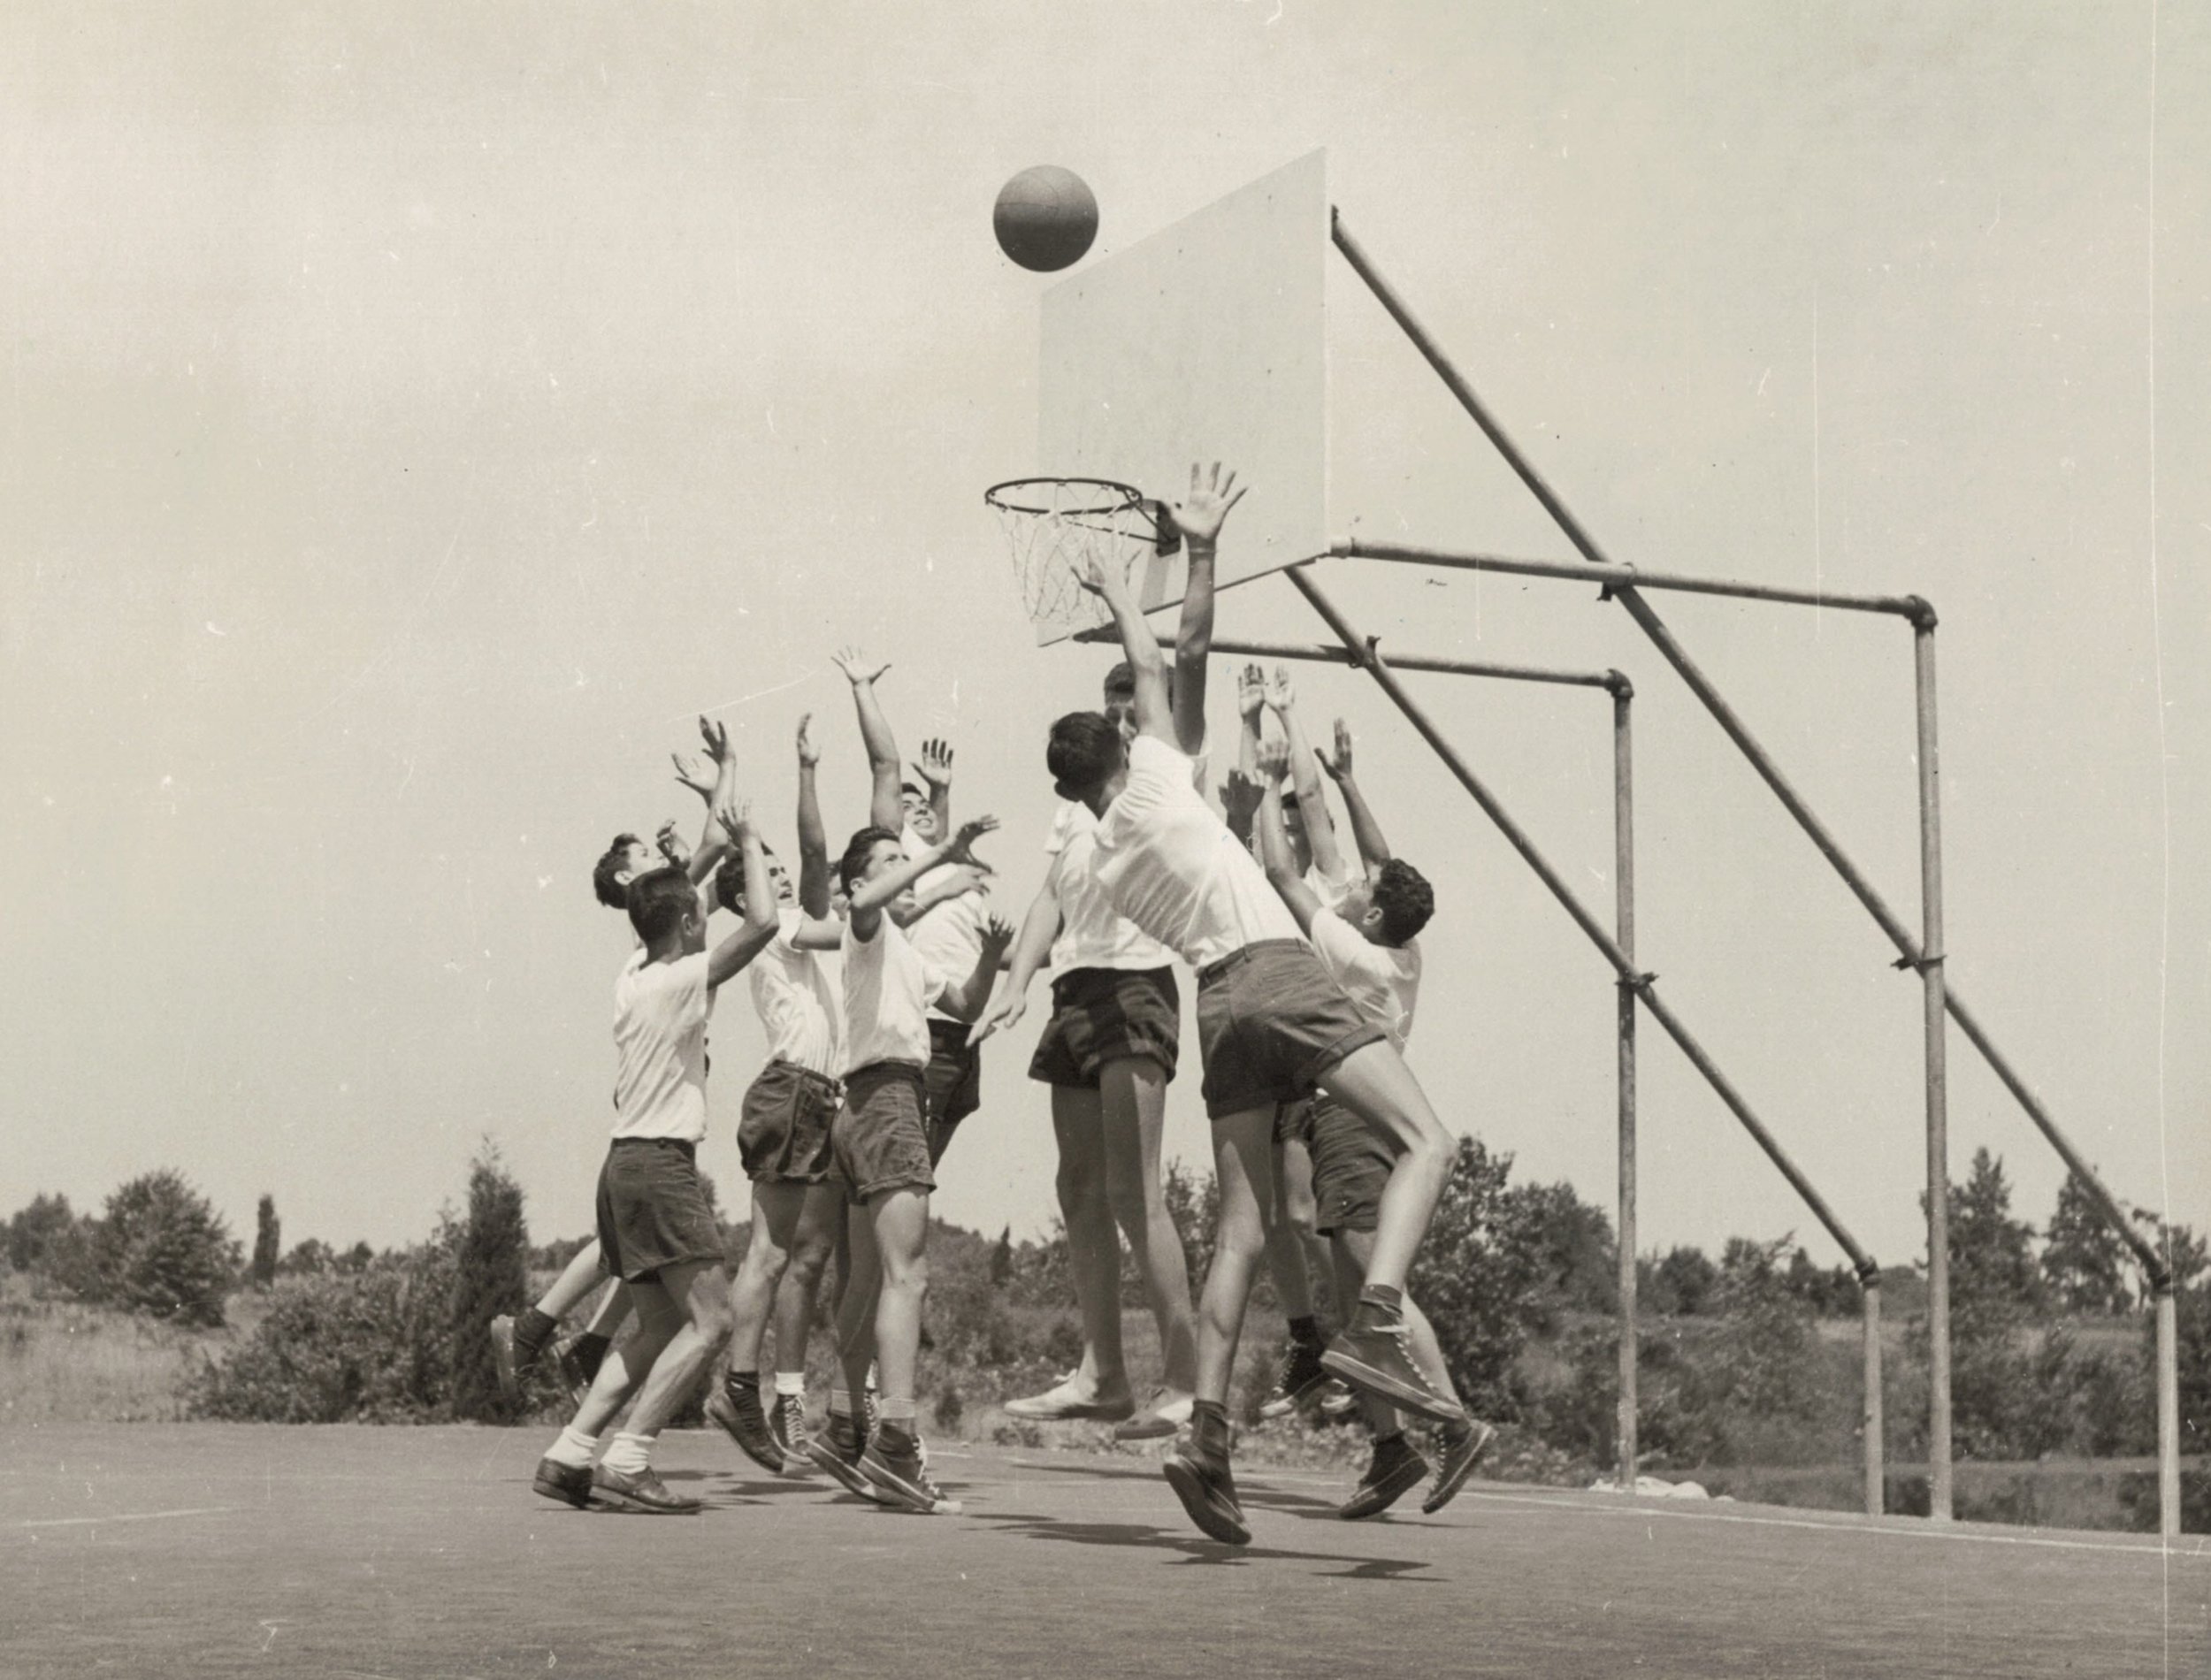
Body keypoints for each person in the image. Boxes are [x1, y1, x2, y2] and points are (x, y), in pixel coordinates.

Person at [1052, 462, 1462, 1547]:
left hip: (1215, 1007)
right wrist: (1190, 548)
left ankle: (1208, 1433)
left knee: (1240, 1231)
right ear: (1122, 749)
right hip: (1275, 969)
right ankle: (1374, 1320)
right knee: (1428, 1139)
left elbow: (1152, 678)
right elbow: (1172, 653)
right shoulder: (1155, 774)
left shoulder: (1098, 854)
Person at [1252, 734, 1493, 1518]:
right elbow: (1376, 856)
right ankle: (1391, 1450)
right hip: (1320, 1107)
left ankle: (1453, 1424)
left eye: (1365, 889)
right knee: (1334, 1262)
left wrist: (1265, 778)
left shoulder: (1355, 952)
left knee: (1369, 1276)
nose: (1353, 882)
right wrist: (1346, 782)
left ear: (1375, 913)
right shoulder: (1401, 942)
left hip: (1351, 1115)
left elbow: (1284, 871)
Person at [532, 777, 782, 1515]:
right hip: (659, 1165)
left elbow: (678, 909)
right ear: (686, 921)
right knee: (716, 1323)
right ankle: (631, 1457)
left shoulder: (634, 973)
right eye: (698, 909)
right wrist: (744, 839)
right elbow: (763, 923)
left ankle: (571, 1451)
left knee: (660, 1322)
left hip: (622, 1169)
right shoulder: (679, 979)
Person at [974, 659, 1204, 1443]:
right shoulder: (1081, 800)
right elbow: (1049, 895)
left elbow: (1182, 680)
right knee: (1079, 1188)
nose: (1120, 712)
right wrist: (1015, 983)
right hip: (1075, 985)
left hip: (1135, 984)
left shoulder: (1165, 777)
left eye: (1133, 700)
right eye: (1112, 703)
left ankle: (1185, 1382)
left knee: (1136, 1192)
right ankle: (1103, 1374)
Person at [493, 724, 739, 1407]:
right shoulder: (658, 916)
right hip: (656, 1120)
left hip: (655, 1098)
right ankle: (546, 1329)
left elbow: (712, 875)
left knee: (626, 1252)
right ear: (633, 881)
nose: (655, 854)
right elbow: (717, 849)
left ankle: (568, 1337)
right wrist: (720, 780)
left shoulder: (653, 946)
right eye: (641, 853)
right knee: (630, 1252)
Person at [799, 811, 1011, 1515]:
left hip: (866, 1105)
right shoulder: (867, 923)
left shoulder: (902, 949)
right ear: (865, 878)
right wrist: (945, 853)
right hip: (884, 1098)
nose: (901, 865)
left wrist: (990, 954)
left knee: (867, 1282)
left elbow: (964, 1002)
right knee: (906, 1276)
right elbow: (862, 901)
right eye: (889, 858)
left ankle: (840, 1424)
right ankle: (894, 1441)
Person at [704, 713, 846, 1474]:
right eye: (774, 877)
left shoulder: (790, 927)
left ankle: (755, 1387)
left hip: (816, 1095)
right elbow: (819, 865)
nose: (789, 881)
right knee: (768, 1252)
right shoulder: (780, 927)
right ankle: (738, 1386)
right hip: (794, 1089)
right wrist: (802, 776)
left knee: (792, 1251)